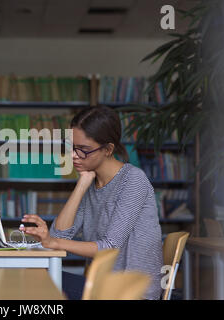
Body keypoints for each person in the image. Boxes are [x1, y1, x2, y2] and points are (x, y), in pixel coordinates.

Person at [20, 105, 163, 300]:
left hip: (131, 293)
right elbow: (58, 236)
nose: (73, 155)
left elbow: (108, 247)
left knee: (39, 280)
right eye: (71, 147)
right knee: (36, 277)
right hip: (102, 287)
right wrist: (82, 184)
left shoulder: (133, 180)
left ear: (108, 149)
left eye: (83, 150)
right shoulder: (92, 184)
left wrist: (53, 241)